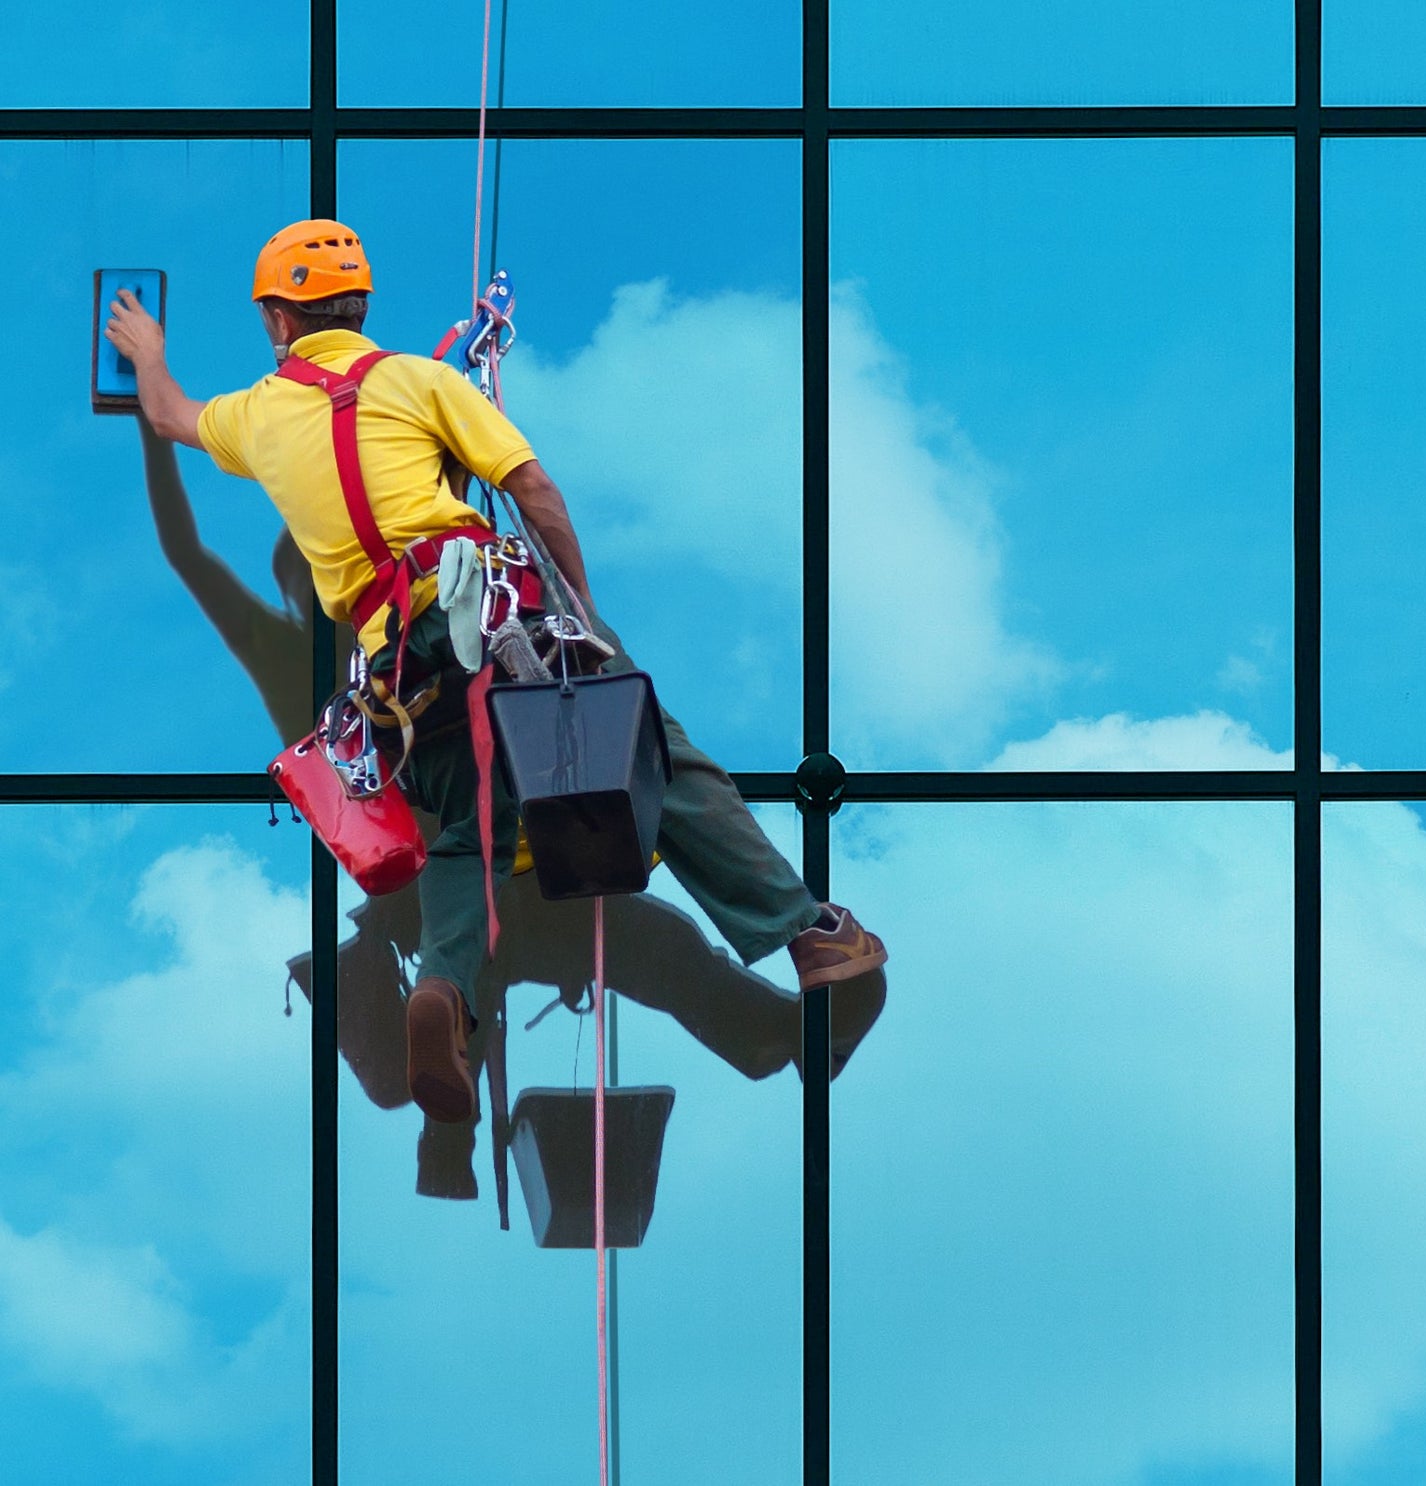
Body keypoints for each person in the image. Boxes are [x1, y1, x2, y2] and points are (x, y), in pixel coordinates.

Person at [105, 217, 887, 1126]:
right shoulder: (420, 379)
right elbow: (534, 491)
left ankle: (444, 989)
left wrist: (148, 349)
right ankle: (806, 934)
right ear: (358, 307)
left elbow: (167, 413)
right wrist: (583, 625)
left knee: (469, 827)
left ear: (279, 321)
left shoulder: (256, 414)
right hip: (494, 616)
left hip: (396, 669)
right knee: (648, 755)